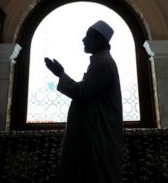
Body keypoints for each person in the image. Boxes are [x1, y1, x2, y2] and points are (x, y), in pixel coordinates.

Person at [44, 20, 124, 183]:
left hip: (98, 137)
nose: (83, 39)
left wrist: (61, 74)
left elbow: (81, 93)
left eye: (88, 36)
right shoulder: (100, 62)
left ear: (99, 40)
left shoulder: (103, 63)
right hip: (94, 135)